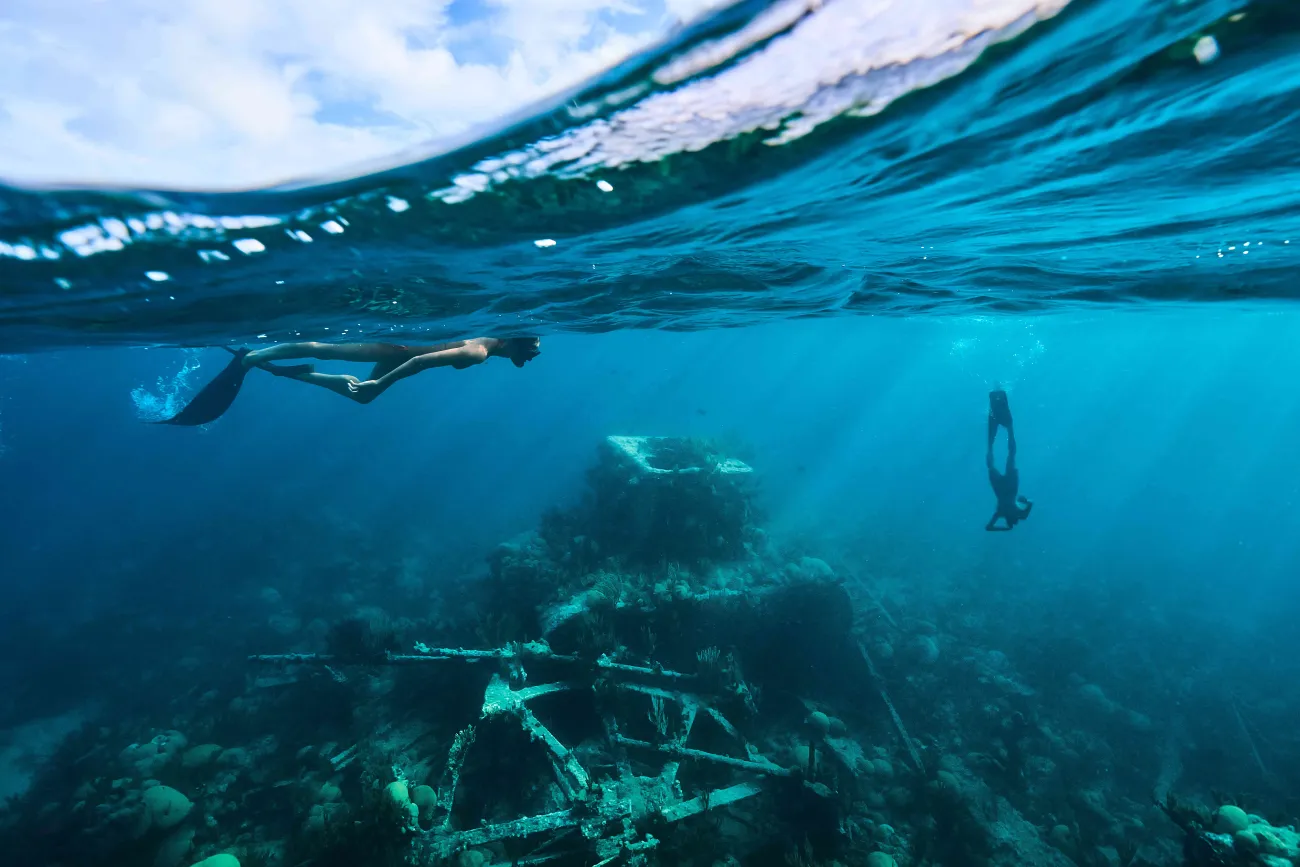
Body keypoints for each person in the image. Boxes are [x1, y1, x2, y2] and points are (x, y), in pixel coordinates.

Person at [156, 337, 540, 426]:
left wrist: (377, 385)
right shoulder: (479, 352)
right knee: (327, 348)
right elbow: (421, 360)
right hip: (396, 349)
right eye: (533, 348)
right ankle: (259, 356)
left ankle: (288, 371)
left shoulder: (491, 347)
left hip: (400, 355)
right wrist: (381, 382)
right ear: (518, 342)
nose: (533, 356)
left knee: (361, 397)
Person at [985, 388, 1033, 532]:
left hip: (1004, 488)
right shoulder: (1017, 514)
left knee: (1004, 458)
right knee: (1008, 456)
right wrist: (1024, 501)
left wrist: (1006, 528)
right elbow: (989, 527)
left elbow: (989, 527)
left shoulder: (1014, 514)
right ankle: (1008, 430)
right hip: (1007, 488)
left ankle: (1004, 431)